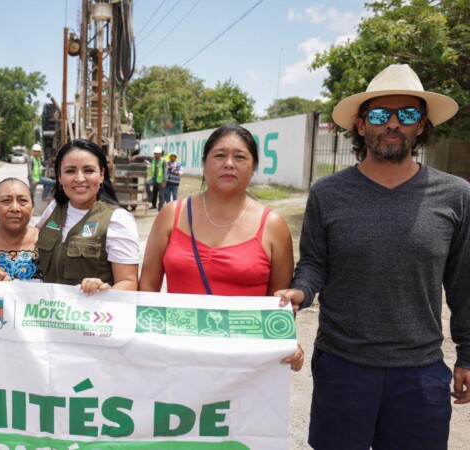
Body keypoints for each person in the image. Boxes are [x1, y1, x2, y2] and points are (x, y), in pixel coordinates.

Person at [276, 64, 469, 449]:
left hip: (420, 373)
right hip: (342, 366)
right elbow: (315, 263)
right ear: (362, 126)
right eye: (381, 115)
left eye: (407, 114)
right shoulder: (327, 193)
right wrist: (301, 291)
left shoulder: (456, 195)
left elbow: (464, 282)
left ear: (422, 125)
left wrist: (467, 354)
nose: (393, 124)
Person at [139, 124, 303, 371]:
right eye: (219, 155)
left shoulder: (273, 225)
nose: (229, 163)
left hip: (245, 366)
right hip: (177, 358)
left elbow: (279, 305)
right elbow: (148, 287)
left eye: (240, 157)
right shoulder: (171, 214)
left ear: (254, 166)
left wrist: (287, 344)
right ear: (204, 164)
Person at [37, 139, 139, 295]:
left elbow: (129, 283)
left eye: (88, 170)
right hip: (48, 315)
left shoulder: (117, 220)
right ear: (59, 177)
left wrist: (103, 290)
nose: (79, 178)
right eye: (70, 171)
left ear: (101, 175)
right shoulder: (53, 209)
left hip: (91, 316)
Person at [146, 145, 166, 210]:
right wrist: (136, 156)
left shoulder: (163, 161)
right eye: (154, 153)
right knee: (147, 184)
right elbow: (145, 157)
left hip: (161, 180)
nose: (155, 154)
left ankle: (160, 208)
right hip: (154, 179)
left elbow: (166, 171)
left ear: (160, 154)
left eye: (157, 153)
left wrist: (164, 181)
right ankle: (151, 199)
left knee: (161, 195)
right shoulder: (153, 159)